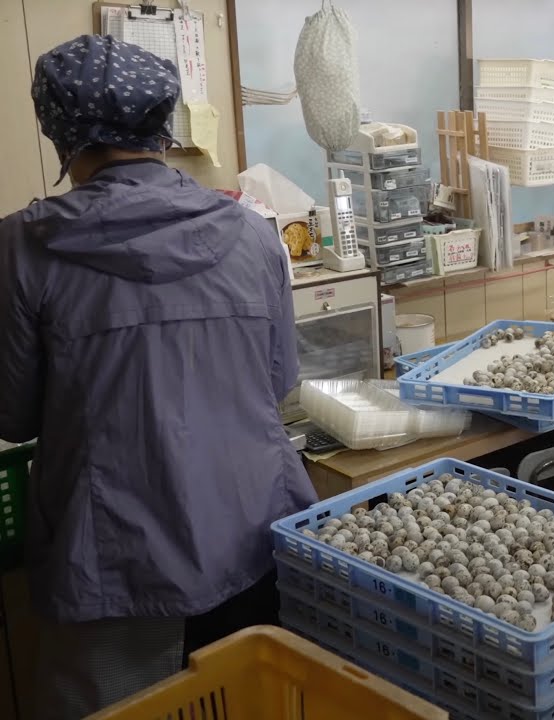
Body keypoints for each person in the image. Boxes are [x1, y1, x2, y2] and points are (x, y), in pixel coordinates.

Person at [0, 35, 317, 717]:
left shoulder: (22, 247)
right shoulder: (252, 232)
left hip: (111, 562)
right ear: (163, 123)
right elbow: (277, 383)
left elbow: (12, 414)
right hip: (251, 540)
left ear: (58, 128)